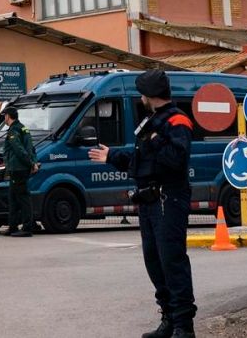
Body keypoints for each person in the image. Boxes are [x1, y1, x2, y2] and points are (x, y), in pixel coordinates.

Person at [90, 69, 196, 338]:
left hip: (167, 197)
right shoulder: (153, 120)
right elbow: (142, 158)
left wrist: (154, 141)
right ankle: (169, 320)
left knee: (172, 260)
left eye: (142, 93)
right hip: (149, 200)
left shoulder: (177, 121)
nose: (140, 97)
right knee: (155, 261)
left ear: (150, 95)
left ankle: (184, 326)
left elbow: (175, 159)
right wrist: (112, 155)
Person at [0, 108, 37, 237]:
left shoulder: (13, 131)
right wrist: (33, 161)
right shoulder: (23, 128)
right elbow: (31, 148)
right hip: (19, 168)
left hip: (17, 169)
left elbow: (19, 150)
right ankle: (13, 226)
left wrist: (31, 163)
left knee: (23, 199)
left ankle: (28, 227)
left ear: (8, 116)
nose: (4, 118)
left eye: (4, 115)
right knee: (13, 199)